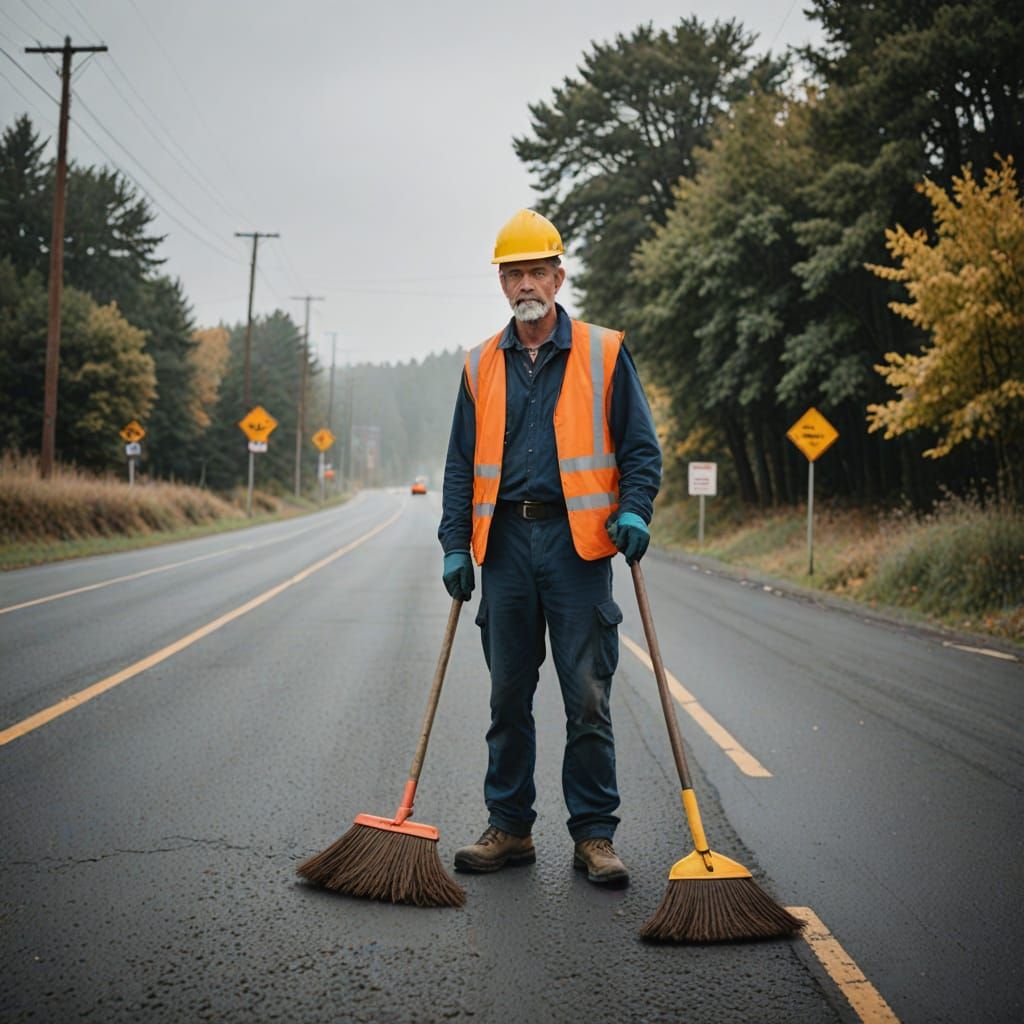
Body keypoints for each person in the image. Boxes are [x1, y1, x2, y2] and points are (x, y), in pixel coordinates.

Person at [438, 209, 661, 886]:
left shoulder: (604, 352)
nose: (526, 282)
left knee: (586, 697)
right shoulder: (480, 365)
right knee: (508, 696)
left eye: (537, 270)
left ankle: (595, 836)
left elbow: (641, 451)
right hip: (504, 546)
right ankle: (509, 828)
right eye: (514, 272)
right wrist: (455, 546)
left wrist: (635, 513)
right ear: (502, 284)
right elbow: (457, 466)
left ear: (559, 276)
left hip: (579, 548)